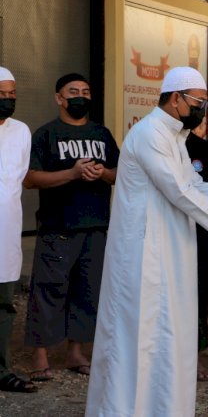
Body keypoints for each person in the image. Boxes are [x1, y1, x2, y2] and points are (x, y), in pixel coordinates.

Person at [85, 66, 208, 417]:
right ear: (175, 99)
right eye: (198, 102)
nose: (201, 110)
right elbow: (178, 189)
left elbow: (194, 183)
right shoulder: (150, 132)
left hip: (169, 250)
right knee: (137, 337)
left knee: (167, 337)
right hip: (142, 254)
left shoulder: (175, 137)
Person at [23, 73, 119, 381]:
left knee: (87, 291)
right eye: (73, 91)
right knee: (48, 290)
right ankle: (40, 355)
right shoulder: (46, 134)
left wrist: (102, 172)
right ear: (59, 98)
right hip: (57, 225)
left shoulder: (102, 134)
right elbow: (31, 178)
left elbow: (120, 173)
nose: (81, 96)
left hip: (96, 225)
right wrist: (73, 173)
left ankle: (76, 352)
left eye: (86, 91)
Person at [0, 66, 36, 393]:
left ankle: (1, 370)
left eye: (12, 95)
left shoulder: (22, 131)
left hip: (7, 231)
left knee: (4, 306)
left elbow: (19, 179)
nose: (8, 100)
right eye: (2, 95)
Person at [185, 116, 208, 382]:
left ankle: (194, 358)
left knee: (197, 294)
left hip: (196, 234)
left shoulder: (206, 151)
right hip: (160, 235)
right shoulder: (157, 143)